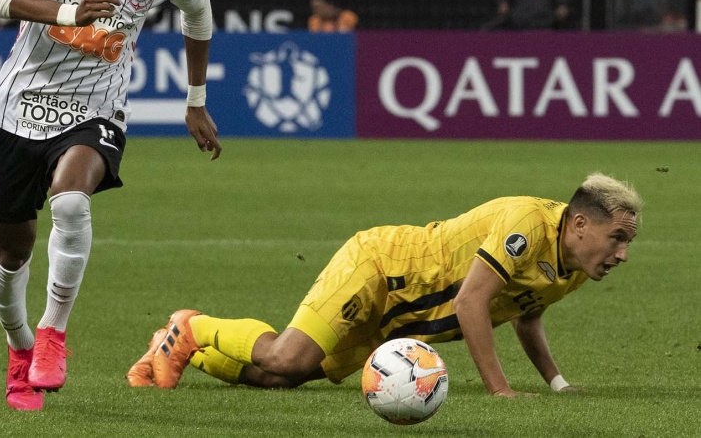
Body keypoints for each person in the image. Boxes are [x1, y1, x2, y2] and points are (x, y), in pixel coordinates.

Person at [0, 0, 222, 412]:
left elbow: (200, 15)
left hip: (97, 111)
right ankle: (20, 352)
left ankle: (52, 334)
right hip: (20, 108)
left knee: (70, 200)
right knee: (11, 252)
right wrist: (67, 12)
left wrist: (195, 100)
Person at [127, 173, 642, 396]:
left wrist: (557, 382)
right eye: (616, 238)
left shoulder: (574, 267)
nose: (621, 254)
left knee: (281, 377)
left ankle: (183, 349)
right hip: (380, 268)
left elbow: (528, 312)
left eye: (628, 243)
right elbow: (471, 302)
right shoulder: (527, 224)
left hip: (396, 321)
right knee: (285, 357)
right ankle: (191, 326)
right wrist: (501, 391)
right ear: (579, 224)